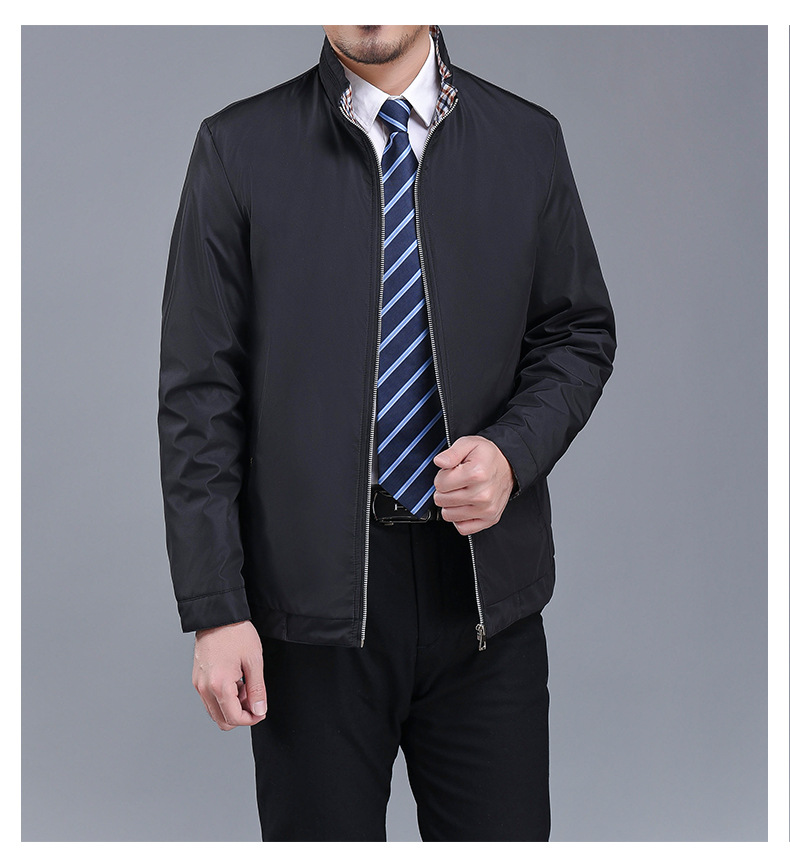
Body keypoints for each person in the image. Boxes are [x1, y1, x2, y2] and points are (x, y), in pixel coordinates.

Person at [158, 24, 615, 842]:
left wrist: (512, 453)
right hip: (310, 612)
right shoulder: (237, 149)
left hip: (483, 598)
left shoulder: (527, 141)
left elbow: (578, 333)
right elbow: (199, 395)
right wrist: (216, 609)